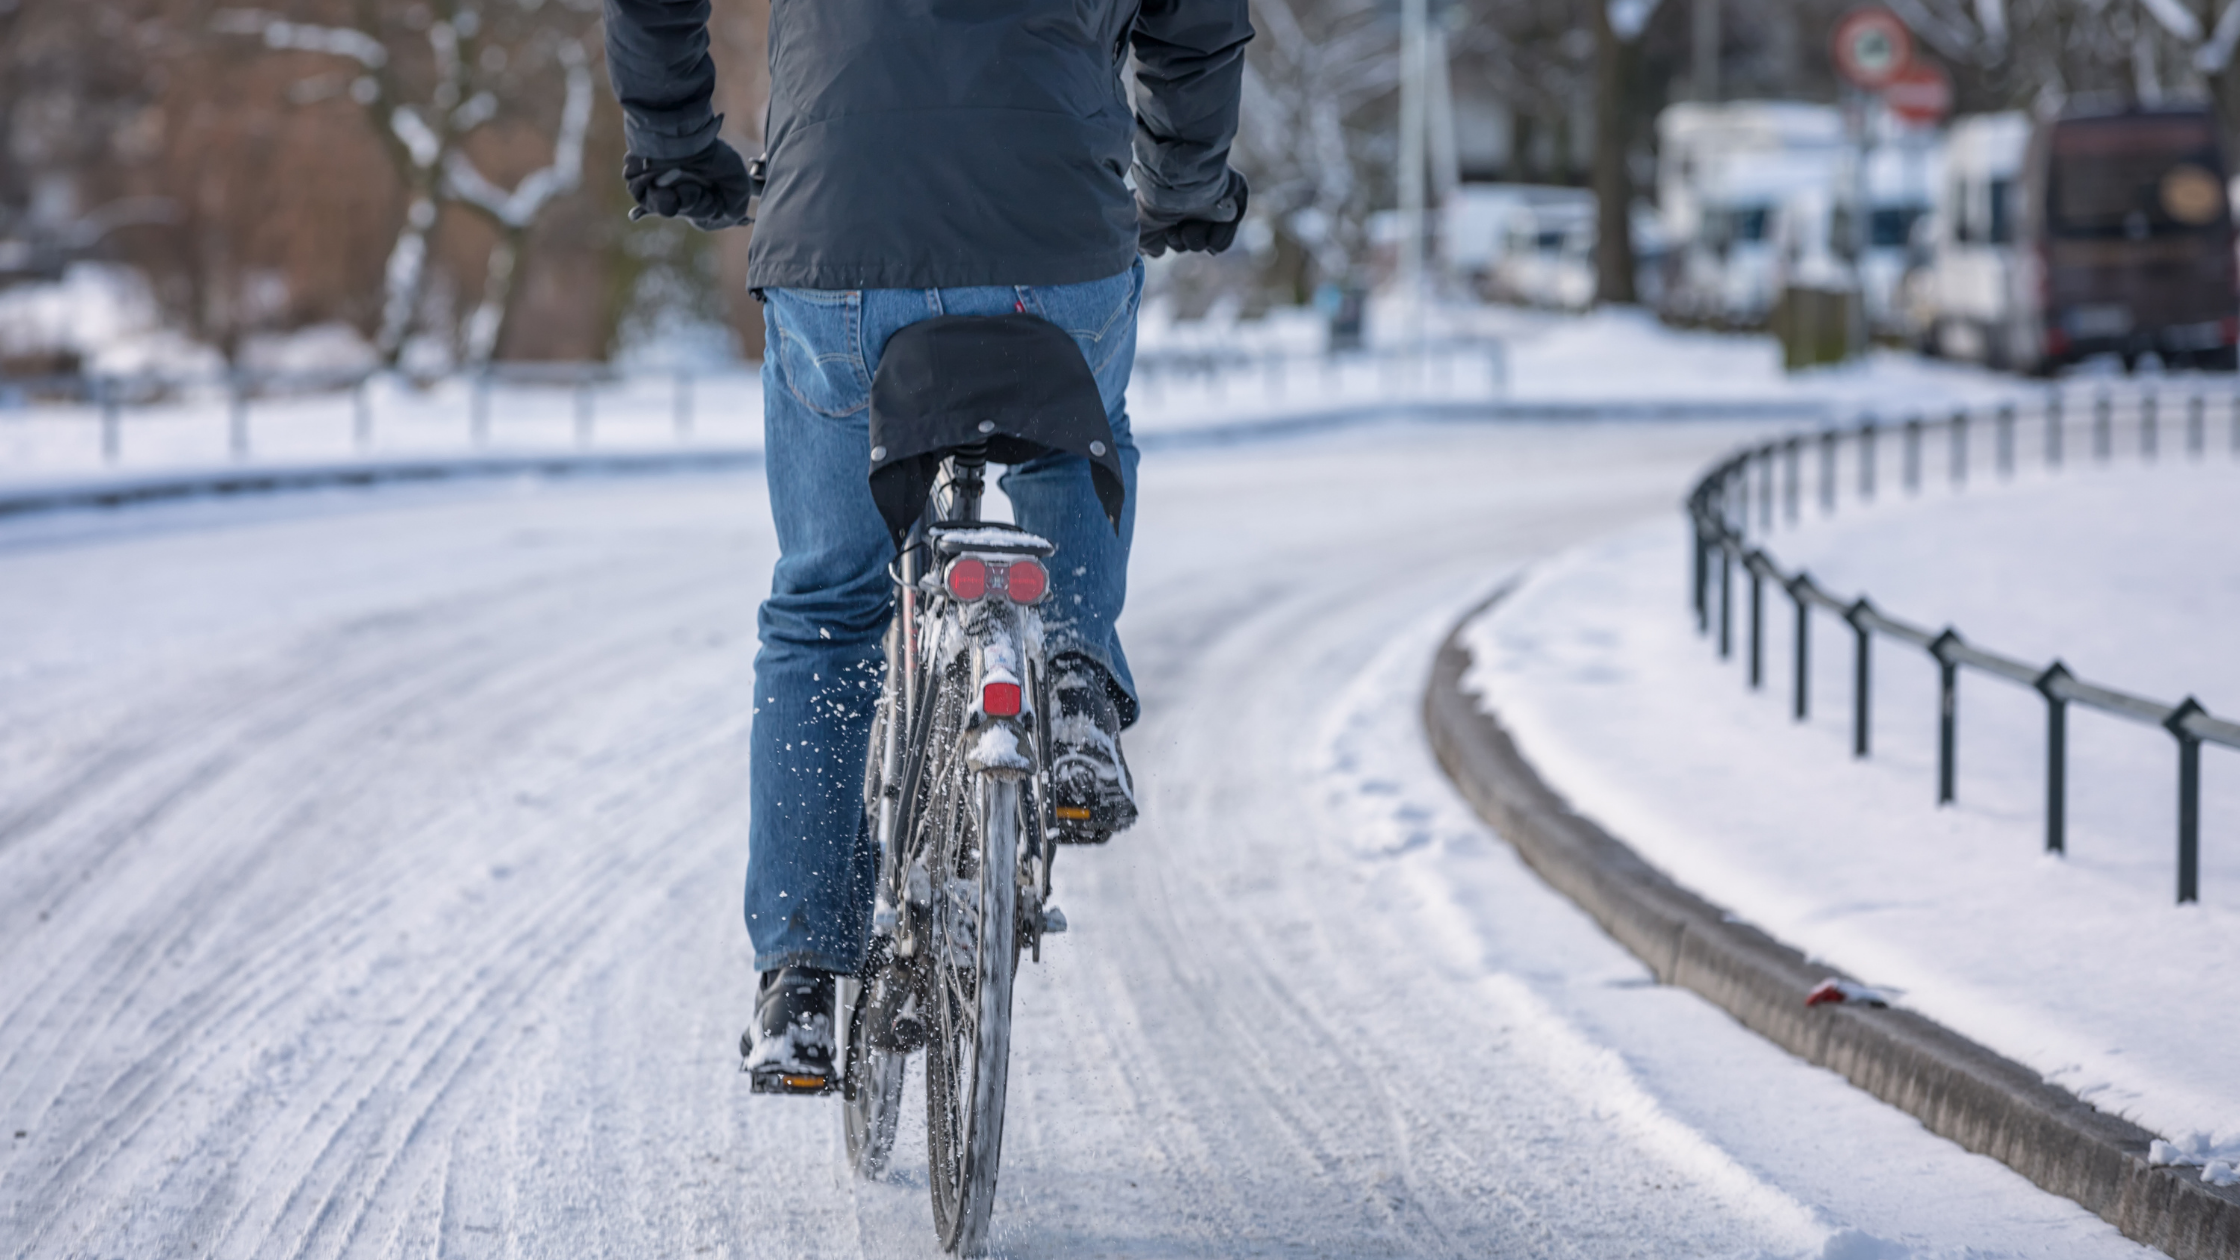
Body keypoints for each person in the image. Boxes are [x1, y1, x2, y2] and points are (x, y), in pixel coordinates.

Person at [602, 0, 1252, 1089]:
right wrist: (1183, 188)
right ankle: (1076, 680)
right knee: (1074, 435)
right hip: (1055, 245)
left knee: (826, 605)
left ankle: (802, 981)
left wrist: (674, 149)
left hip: (837, 240)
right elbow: (1196, 23)